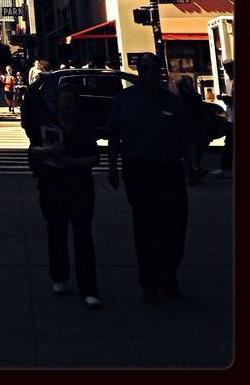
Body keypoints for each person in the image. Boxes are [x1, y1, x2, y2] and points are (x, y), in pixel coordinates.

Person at [107, 52, 195, 302]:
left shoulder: (171, 102)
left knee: (174, 225)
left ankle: (168, 275)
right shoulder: (125, 99)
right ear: (138, 71)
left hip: (169, 169)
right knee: (146, 226)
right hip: (138, 168)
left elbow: (185, 136)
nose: (149, 73)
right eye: (144, 68)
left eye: (153, 68)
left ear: (160, 70)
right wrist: (112, 167)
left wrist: (191, 167)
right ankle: (150, 281)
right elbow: (114, 135)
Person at [29, 82, 101, 308]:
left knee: (83, 234)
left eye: (71, 98)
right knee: (56, 231)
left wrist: (72, 162)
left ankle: (88, 286)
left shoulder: (85, 126)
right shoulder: (46, 124)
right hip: (53, 185)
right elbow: (32, 151)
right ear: (57, 102)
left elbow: (94, 157)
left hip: (79, 185)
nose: (67, 103)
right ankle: (59, 275)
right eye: (64, 99)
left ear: (76, 102)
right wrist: (48, 152)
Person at [173, 75, 211, 185]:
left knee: (186, 153)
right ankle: (195, 170)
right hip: (195, 126)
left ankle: (191, 174)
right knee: (194, 152)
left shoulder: (179, 98)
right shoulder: (195, 97)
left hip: (185, 127)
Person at [213, 59, 234, 177]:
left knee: (229, 143)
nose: (227, 71)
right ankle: (226, 167)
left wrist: (225, 99)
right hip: (231, 116)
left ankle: (226, 168)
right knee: (229, 143)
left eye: (229, 68)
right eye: (226, 69)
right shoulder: (228, 82)